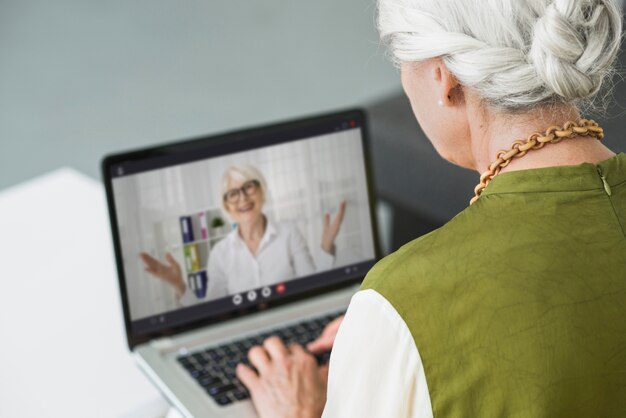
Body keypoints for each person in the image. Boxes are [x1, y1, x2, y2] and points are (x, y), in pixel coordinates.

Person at [233, 0, 626, 417]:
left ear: (444, 79)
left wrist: (298, 410)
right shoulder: (396, 311)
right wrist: (382, 340)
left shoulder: (401, 296)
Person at [140, 164, 347, 304]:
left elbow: (313, 287)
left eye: (249, 187)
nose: (243, 198)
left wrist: (326, 247)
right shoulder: (219, 254)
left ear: (262, 191)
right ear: (227, 206)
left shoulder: (289, 234)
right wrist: (180, 286)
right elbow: (211, 314)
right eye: (233, 193)